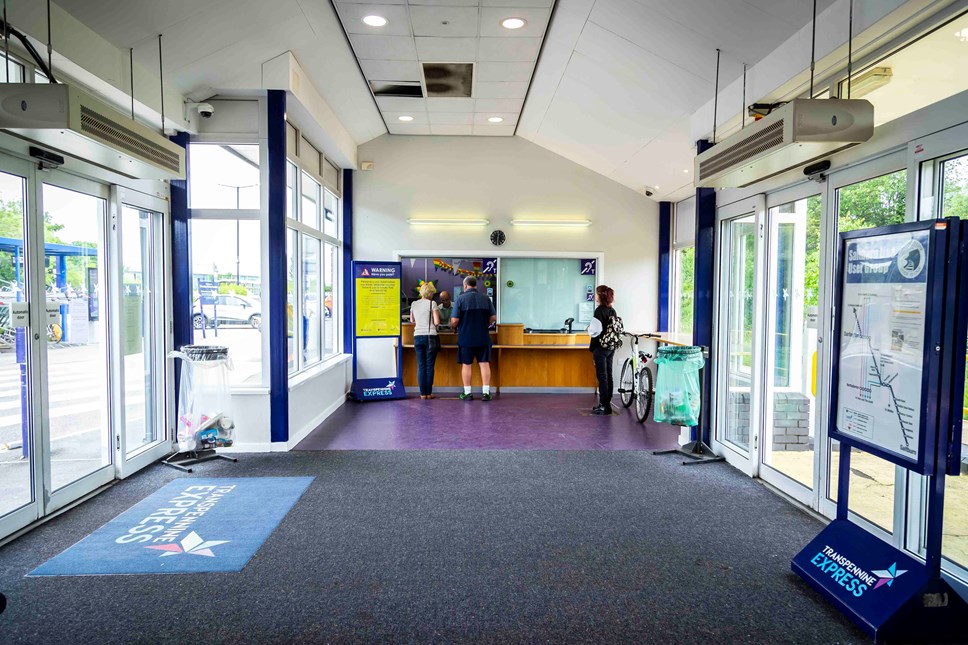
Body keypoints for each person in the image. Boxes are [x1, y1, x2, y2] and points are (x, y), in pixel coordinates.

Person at [450, 276, 496, 401]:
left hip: (466, 338)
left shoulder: (460, 299)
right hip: (483, 337)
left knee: (466, 364)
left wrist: (453, 327)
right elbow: (493, 317)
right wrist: (485, 324)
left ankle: (467, 393)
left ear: (465, 286)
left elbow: (454, 320)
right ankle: (486, 393)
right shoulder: (486, 298)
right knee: (484, 364)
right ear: (476, 285)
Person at [588, 284, 619, 415]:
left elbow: (595, 331)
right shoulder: (612, 310)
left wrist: (588, 329)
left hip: (600, 347)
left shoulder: (599, 311)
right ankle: (608, 404)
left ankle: (603, 405)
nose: (594, 296)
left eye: (596, 293)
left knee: (602, 376)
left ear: (600, 295)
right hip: (610, 347)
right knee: (608, 374)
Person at [410, 282, 441, 400]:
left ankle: (423, 394)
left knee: (421, 366)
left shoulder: (414, 303)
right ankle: (429, 393)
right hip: (430, 336)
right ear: (430, 293)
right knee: (429, 366)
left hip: (417, 336)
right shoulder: (432, 303)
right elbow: (437, 321)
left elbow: (412, 320)